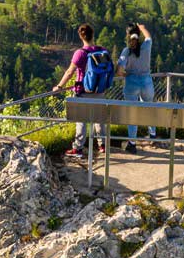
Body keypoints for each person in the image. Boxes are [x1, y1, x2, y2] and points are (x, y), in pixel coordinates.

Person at [53, 23, 114, 160]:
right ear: (93, 35)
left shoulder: (80, 53)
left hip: (83, 91)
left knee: (81, 120)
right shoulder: (103, 51)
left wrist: (60, 86)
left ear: (81, 36)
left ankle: (78, 148)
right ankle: (102, 145)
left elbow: (69, 72)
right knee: (99, 119)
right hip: (100, 91)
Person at [117, 22, 157, 145]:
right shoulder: (146, 46)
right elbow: (149, 37)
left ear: (128, 36)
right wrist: (143, 28)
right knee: (149, 108)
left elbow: (119, 71)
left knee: (132, 113)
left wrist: (125, 75)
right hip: (147, 82)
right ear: (138, 35)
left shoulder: (126, 51)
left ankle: (132, 143)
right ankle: (153, 134)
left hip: (131, 83)